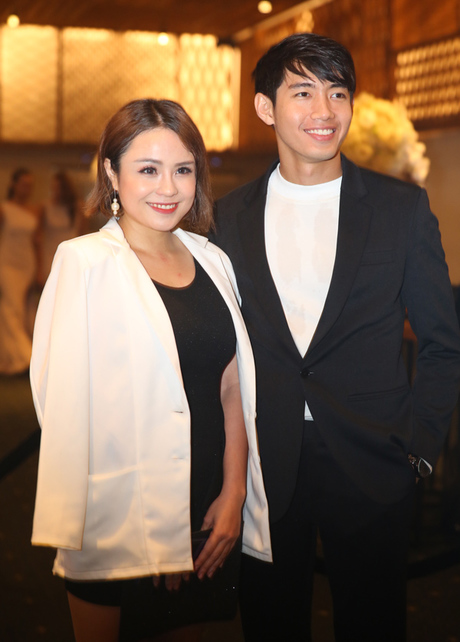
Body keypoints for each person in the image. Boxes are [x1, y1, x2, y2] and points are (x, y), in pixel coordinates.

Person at [211, 33, 460, 642]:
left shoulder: (401, 209)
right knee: (270, 624)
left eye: (337, 92)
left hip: (374, 459)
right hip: (265, 462)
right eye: (303, 92)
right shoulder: (226, 217)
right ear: (266, 107)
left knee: (374, 624)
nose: (324, 110)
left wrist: (420, 449)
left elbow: (443, 342)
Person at [30, 98, 271, 642]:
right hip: (119, 516)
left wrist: (234, 492)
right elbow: (62, 408)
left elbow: (231, 385)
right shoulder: (84, 263)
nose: (168, 187)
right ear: (112, 173)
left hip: (207, 508)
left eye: (183, 169)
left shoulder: (212, 259)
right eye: (148, 170)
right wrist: (157, 528)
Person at [0, 168, 40, 375]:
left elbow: (36, 242)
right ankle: (26, 357)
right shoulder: (4, 209)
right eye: (23, 184)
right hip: (7, 263)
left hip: (26, 264)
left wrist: (38, 268)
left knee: (23, 312)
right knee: (11, 309)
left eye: (29, 186)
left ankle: (9, 360)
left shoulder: (34, 210)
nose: (26, 189)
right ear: (14, 185)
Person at [38, 171, 82, 283]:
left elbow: (82, 234)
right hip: (49, 255)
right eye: (54, 187)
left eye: (58, 188)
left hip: (70, 254)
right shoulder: (45, 207)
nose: (56, 191)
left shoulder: (76, 207)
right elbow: (38, 236)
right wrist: (39, 267)